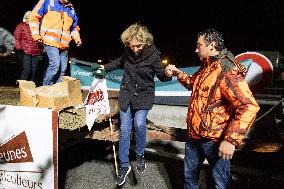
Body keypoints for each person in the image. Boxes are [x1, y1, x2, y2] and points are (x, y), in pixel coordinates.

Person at [167, 29, 260, 189]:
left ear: (212, 45)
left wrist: (230, 140)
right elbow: (192, 83)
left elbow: (248, 106)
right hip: (193, 136)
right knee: (189, 180)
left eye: (199, 45)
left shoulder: (226, 70)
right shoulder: (206, 67)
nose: (196, 50)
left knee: (221, 184)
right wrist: (178, 73)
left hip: (214, 140)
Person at [92, 22, 173, 186]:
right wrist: (103, 68)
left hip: (143, 95)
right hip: (127, 95)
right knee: (124, 131)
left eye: (138, 45)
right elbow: (117, 63)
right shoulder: (128, 52)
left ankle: (140, 154)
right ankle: (124, 165)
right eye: (131, 45)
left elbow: (162, 75)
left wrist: (167, 73)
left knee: (139, 123)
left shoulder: (153, 55)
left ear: (145, 42)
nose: (135, 49)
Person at [29, 0, 82, 86]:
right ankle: (46, 88)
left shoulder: (71, 9)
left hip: (64, 45)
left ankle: (57, 91)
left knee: (62, 69)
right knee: (55, 65)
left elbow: (74, 27)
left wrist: (77, 38)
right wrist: (35, 34)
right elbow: (33, 17)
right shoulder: (47, 2)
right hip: (50, 40)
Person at [14, 11, 42, 82]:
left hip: (35, 52)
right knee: (27, 69)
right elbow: (17, 38)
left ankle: (30, 87)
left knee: (34, 71)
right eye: (28, 18)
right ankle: (23, 86)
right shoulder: (20, 26)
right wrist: (19, 48)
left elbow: (39, 39)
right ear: (25, 18)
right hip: (25, 52)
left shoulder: (36, 27)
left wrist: (40, 48)